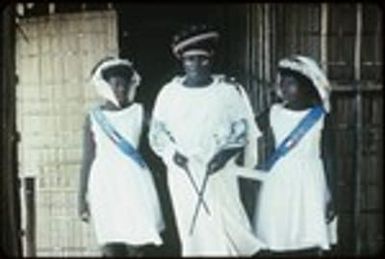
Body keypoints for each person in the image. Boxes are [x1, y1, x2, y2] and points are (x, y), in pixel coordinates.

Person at [148, 24, 266, 256]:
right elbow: (157, 133)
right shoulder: (169, 93)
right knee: (192, 224)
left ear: (210, 60)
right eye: (190, 60)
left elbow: (241, 130)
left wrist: (223, 156)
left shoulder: (227, 91)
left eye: (202, 60)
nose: (196, 65)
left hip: (219, 169)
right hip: (184, 172)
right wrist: (173, 154)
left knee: (227, 218)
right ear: (182, 62)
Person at [78, 57, 165, 257]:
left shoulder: (140, 112)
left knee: (137, 240)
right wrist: (81, 199)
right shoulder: (93, 117)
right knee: (110, 243)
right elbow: (87, 160)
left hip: (134, 181)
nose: (122, 89)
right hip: (104, 183)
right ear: (105, 87)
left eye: (125, 84)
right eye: (116, 84)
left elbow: (164, 137)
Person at [252, 55, 338, 256]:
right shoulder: (273, 112)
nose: (283, 87)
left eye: (291, 83)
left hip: (310, 179)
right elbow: (249, 132)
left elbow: (330, 158)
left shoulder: (320, 118)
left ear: (307, 86)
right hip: (279, 178)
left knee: (308, 230)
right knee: (277, 229)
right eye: (282, 82)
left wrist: (333, 195)